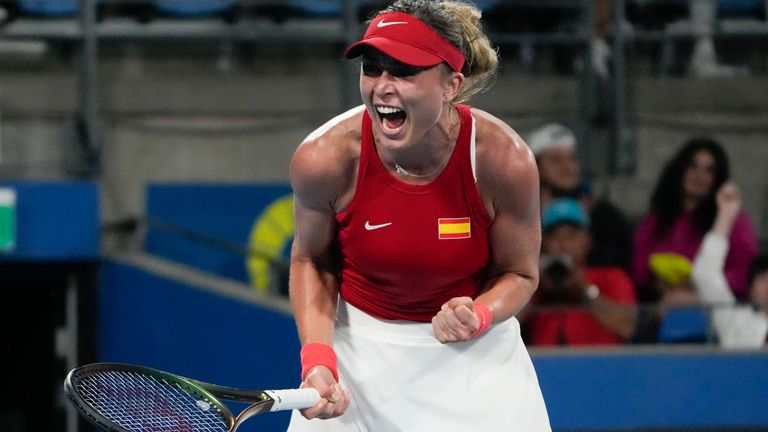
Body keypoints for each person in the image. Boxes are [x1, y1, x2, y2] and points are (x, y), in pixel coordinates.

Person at [287, 1, 551, 430]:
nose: (382, 87)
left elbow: (520, 274)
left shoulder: (504, 161)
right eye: (372, 69)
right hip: (358, 355)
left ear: (451, 84)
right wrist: (318, 360)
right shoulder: (324, 159)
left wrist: (478, 314)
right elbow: (311, 260)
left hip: (476, 359)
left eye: (405, 72)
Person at [631, 137, 758, 303]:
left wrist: (697, 285)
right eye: (692, 166)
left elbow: (746, 270)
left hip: (717, 307)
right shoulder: (655, 220)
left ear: (717, 178)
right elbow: (638, 267)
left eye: (709, 170)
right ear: (680, 170)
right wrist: (658, 282)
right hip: (657, 302)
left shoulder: (731, 219)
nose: (699, 175)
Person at [522, 198, 637, 346]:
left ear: (588, 241)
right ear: (543, 243)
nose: (562, 244)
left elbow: (628, 328)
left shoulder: (612, 277)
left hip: (600, 364)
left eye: (571, 236)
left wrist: (584, 290)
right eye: (555, 237)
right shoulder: (536, 283)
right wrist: (533, 289)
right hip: (545, 365)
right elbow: (501, 329)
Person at [526, 123, 633, 271]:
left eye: (572, 158)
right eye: (556, 160)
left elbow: (618, 262)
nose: (568, 167)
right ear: (536, 167)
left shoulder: (603, 214)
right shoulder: (522, 215)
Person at [692, 181, 768, 348]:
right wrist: (725, 215)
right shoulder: (736, 321)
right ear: (751, 289)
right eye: (762, 279)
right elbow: (705, 275)